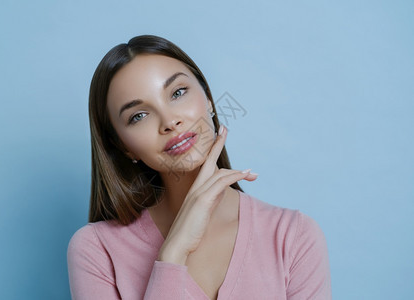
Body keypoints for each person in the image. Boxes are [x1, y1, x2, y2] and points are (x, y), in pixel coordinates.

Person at [67, 35, 331, 300]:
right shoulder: (97, 250)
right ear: (123, 146)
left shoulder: (293, 236)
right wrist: (173, 252)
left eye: (178, 93)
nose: (170, 121)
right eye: (139, 116)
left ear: (209, 100)